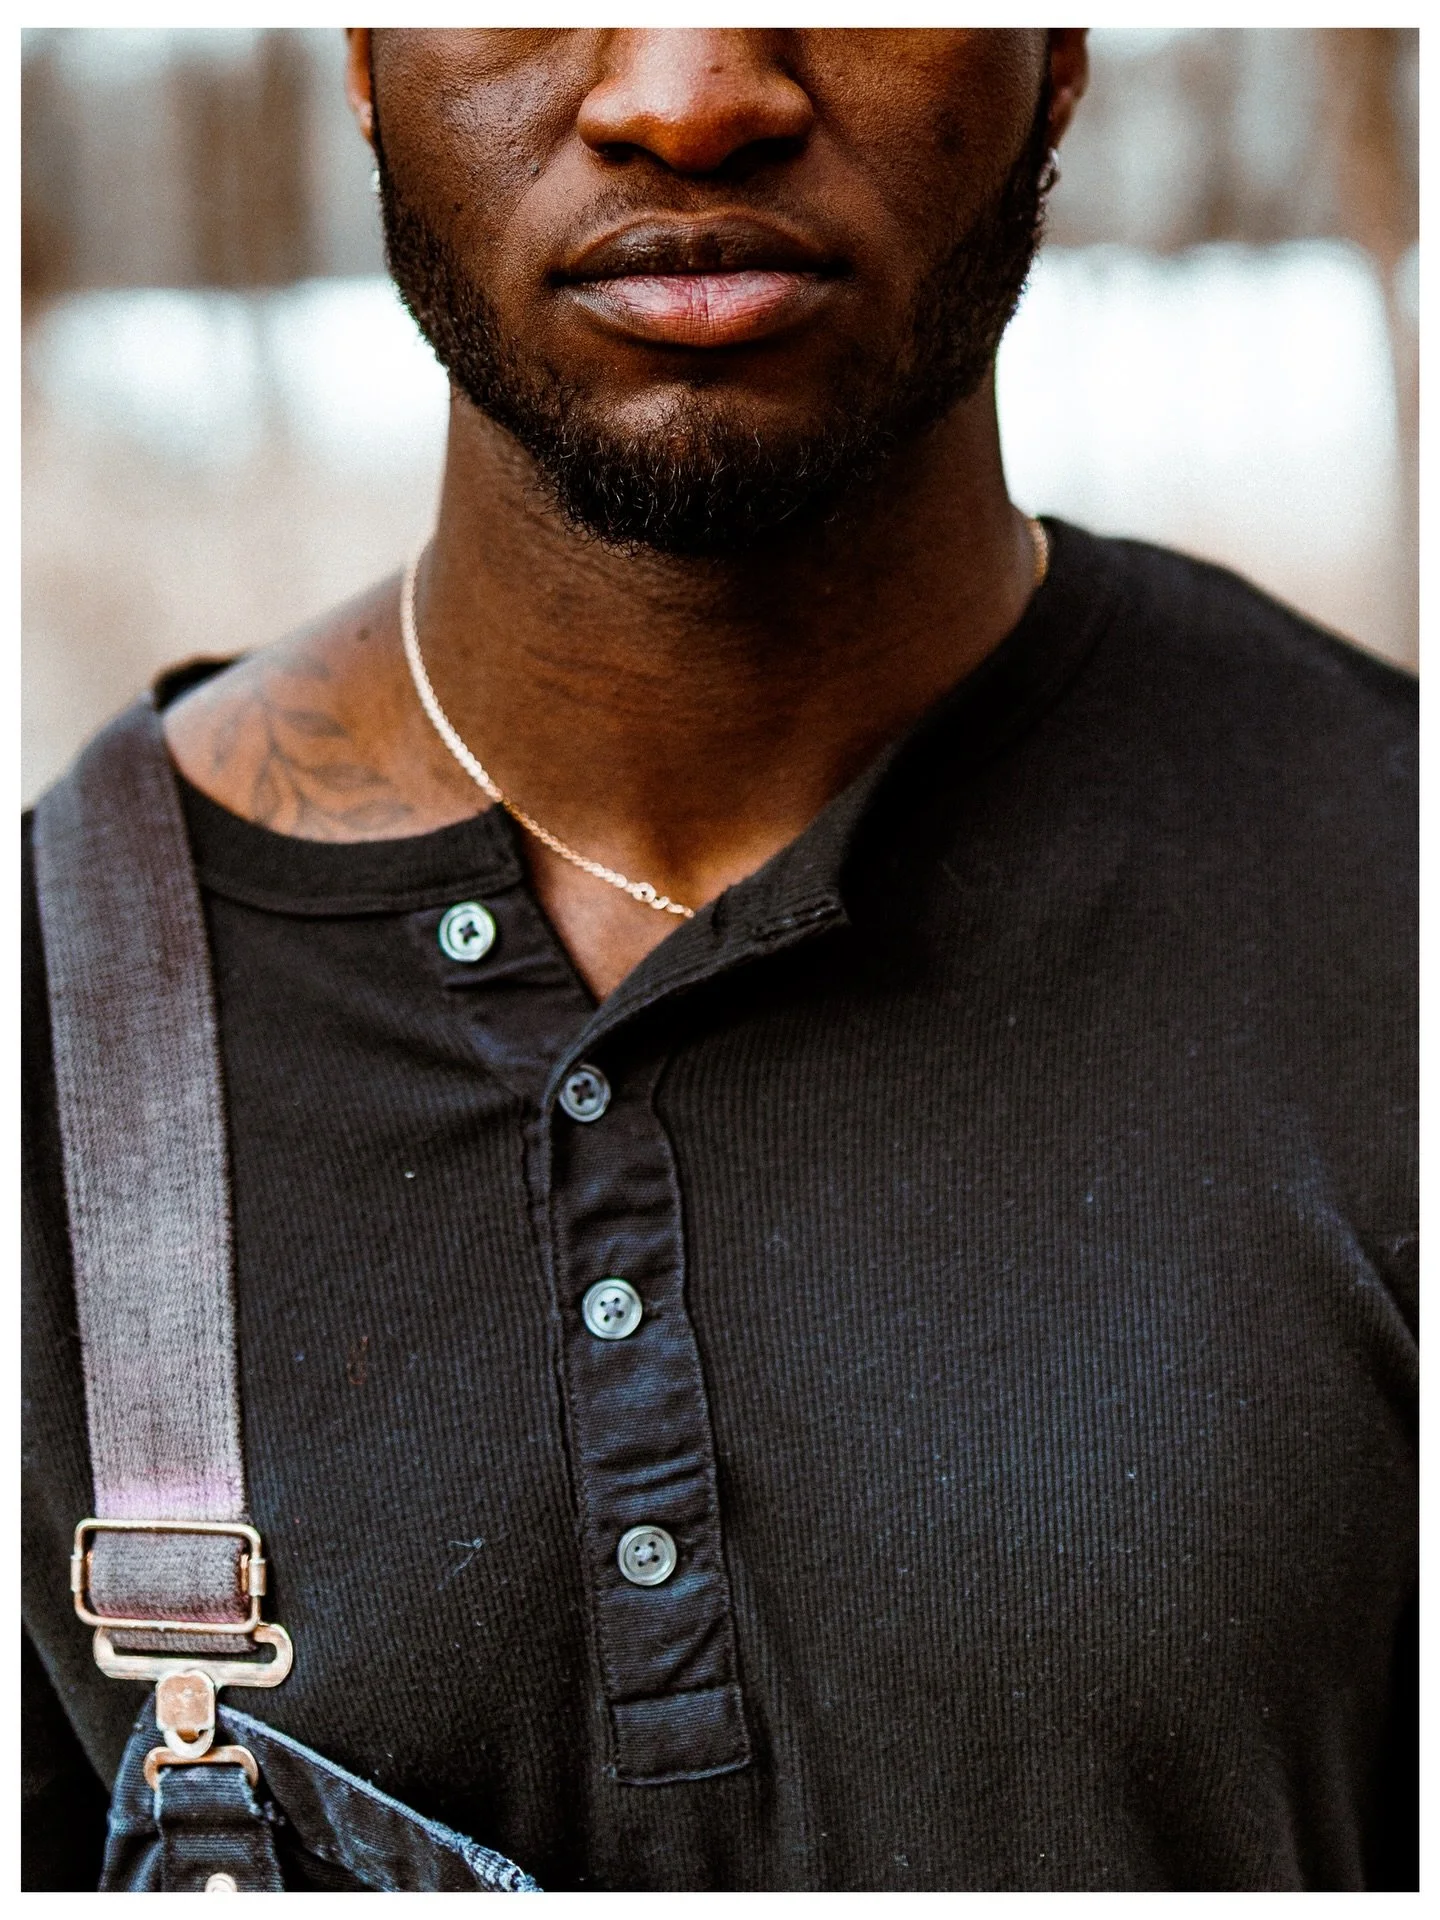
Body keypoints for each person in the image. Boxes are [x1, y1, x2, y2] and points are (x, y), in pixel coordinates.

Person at [22, 27, 1416, 1892]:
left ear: (1063, 50)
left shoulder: (1391, 904)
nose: (686, 97)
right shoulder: (51, 1032)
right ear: (360, 51)